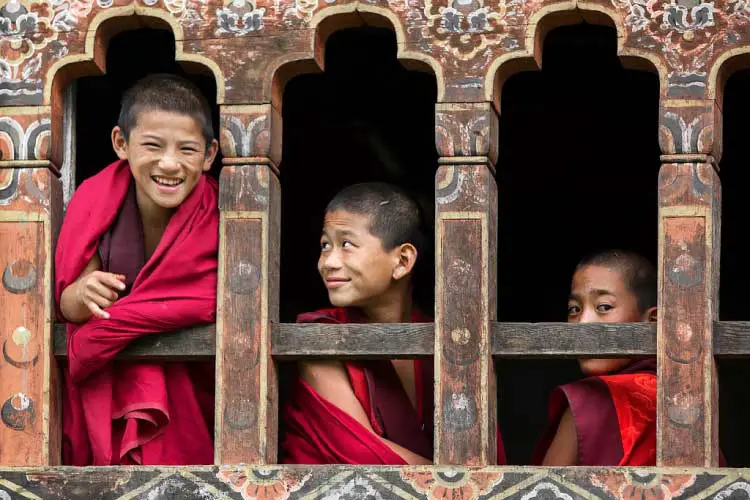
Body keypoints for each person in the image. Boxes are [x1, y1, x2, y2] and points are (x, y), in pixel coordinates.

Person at [55, 73, 219, 465]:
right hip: (108, 384)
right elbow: (72, 307)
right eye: (152, 146)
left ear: (210, 154)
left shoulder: (222, 212)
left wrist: (112, 323)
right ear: (120, 144)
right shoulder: (94, 199)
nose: (169, 163)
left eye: (187, 150)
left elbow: (211, 300)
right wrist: (82, 293)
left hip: (188, 384)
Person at [281, 182, 464, 464]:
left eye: (346, 244)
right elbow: (361, 452)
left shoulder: (444, 338)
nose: (327, 262)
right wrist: (460, 484)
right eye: (325, 245)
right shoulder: (319, 335)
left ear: (402, 260)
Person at [533, 249, 658, 466]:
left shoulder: (592, 398)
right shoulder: (686, 396)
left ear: (652, 321)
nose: (583, 323)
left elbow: (543, 491)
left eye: (603, 307)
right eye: (574, 309)